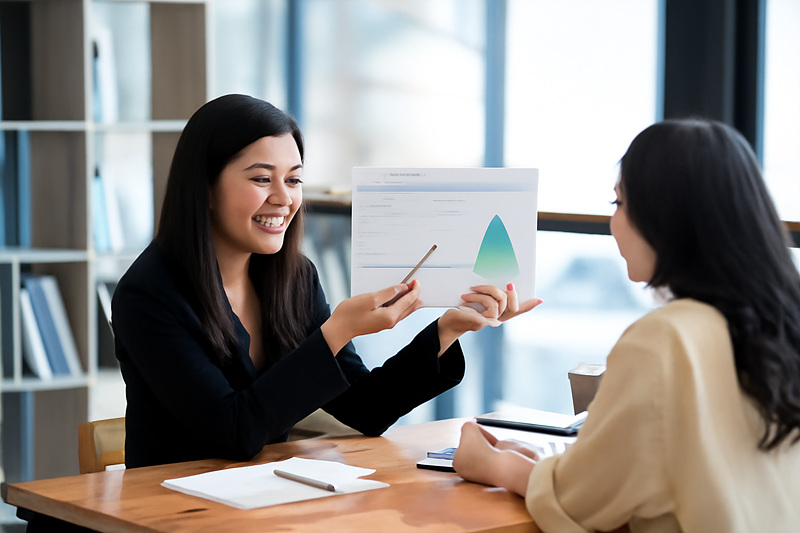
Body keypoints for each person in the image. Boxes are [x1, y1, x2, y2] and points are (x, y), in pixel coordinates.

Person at [110, 93, 540, 468]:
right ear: (205, 187)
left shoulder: (294, 278)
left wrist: (448, 329)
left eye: (294, 179)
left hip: (264, 501)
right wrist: (336, 332)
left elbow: (366, 408)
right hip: (167, 508)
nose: (284, 198)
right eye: (261, 179)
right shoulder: (147, 295)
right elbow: (233, 431)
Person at [452, 118, 800, 532]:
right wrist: (546, 464)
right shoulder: (782, 324)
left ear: (665, 216)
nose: (612, 222)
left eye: (618, 203)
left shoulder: (665, 338)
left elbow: (582, 498)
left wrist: (492, 463)